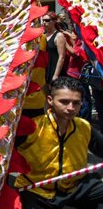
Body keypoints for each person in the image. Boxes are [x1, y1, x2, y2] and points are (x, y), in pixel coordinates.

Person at [15, 77, 103, 209]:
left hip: (75, 187)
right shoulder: (33, 127)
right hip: (37, 190)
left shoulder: (84, 126)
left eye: (76, 103)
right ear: (50, 100)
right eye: (64, 102)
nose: (70, 108)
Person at [43, 12, 66, 84]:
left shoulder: (59, 35)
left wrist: (56, 75)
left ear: (54, 21)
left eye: (47, 20)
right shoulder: (43, 35)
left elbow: (61, 56)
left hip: (54, 68)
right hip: (45, 69)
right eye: (43, 20)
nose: (44, 22)